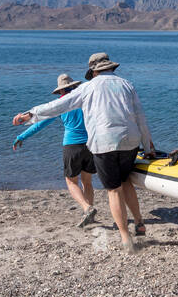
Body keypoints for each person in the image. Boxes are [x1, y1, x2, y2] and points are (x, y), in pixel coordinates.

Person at [14, 52, 155, 251]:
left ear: (93, 71)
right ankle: (139, 222)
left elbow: (58, 106)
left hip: (104, 143)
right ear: (111, 67)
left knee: (114, 190)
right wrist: (148, 147)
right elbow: (141, 116)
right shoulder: (127, 85)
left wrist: (31, 114)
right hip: (130, 141)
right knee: (126, 181)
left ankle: (125, 238)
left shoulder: (88, 88)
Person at [12, 73, 97, 228]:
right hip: (91, 145)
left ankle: (87, 208)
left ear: (60, 92)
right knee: (88, 182)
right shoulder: (85, 101)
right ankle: (89, 213)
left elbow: (40, 124)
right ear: (74, 87)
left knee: (71, 182)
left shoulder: (61, 105)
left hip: (72, 146)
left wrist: (22, 136)